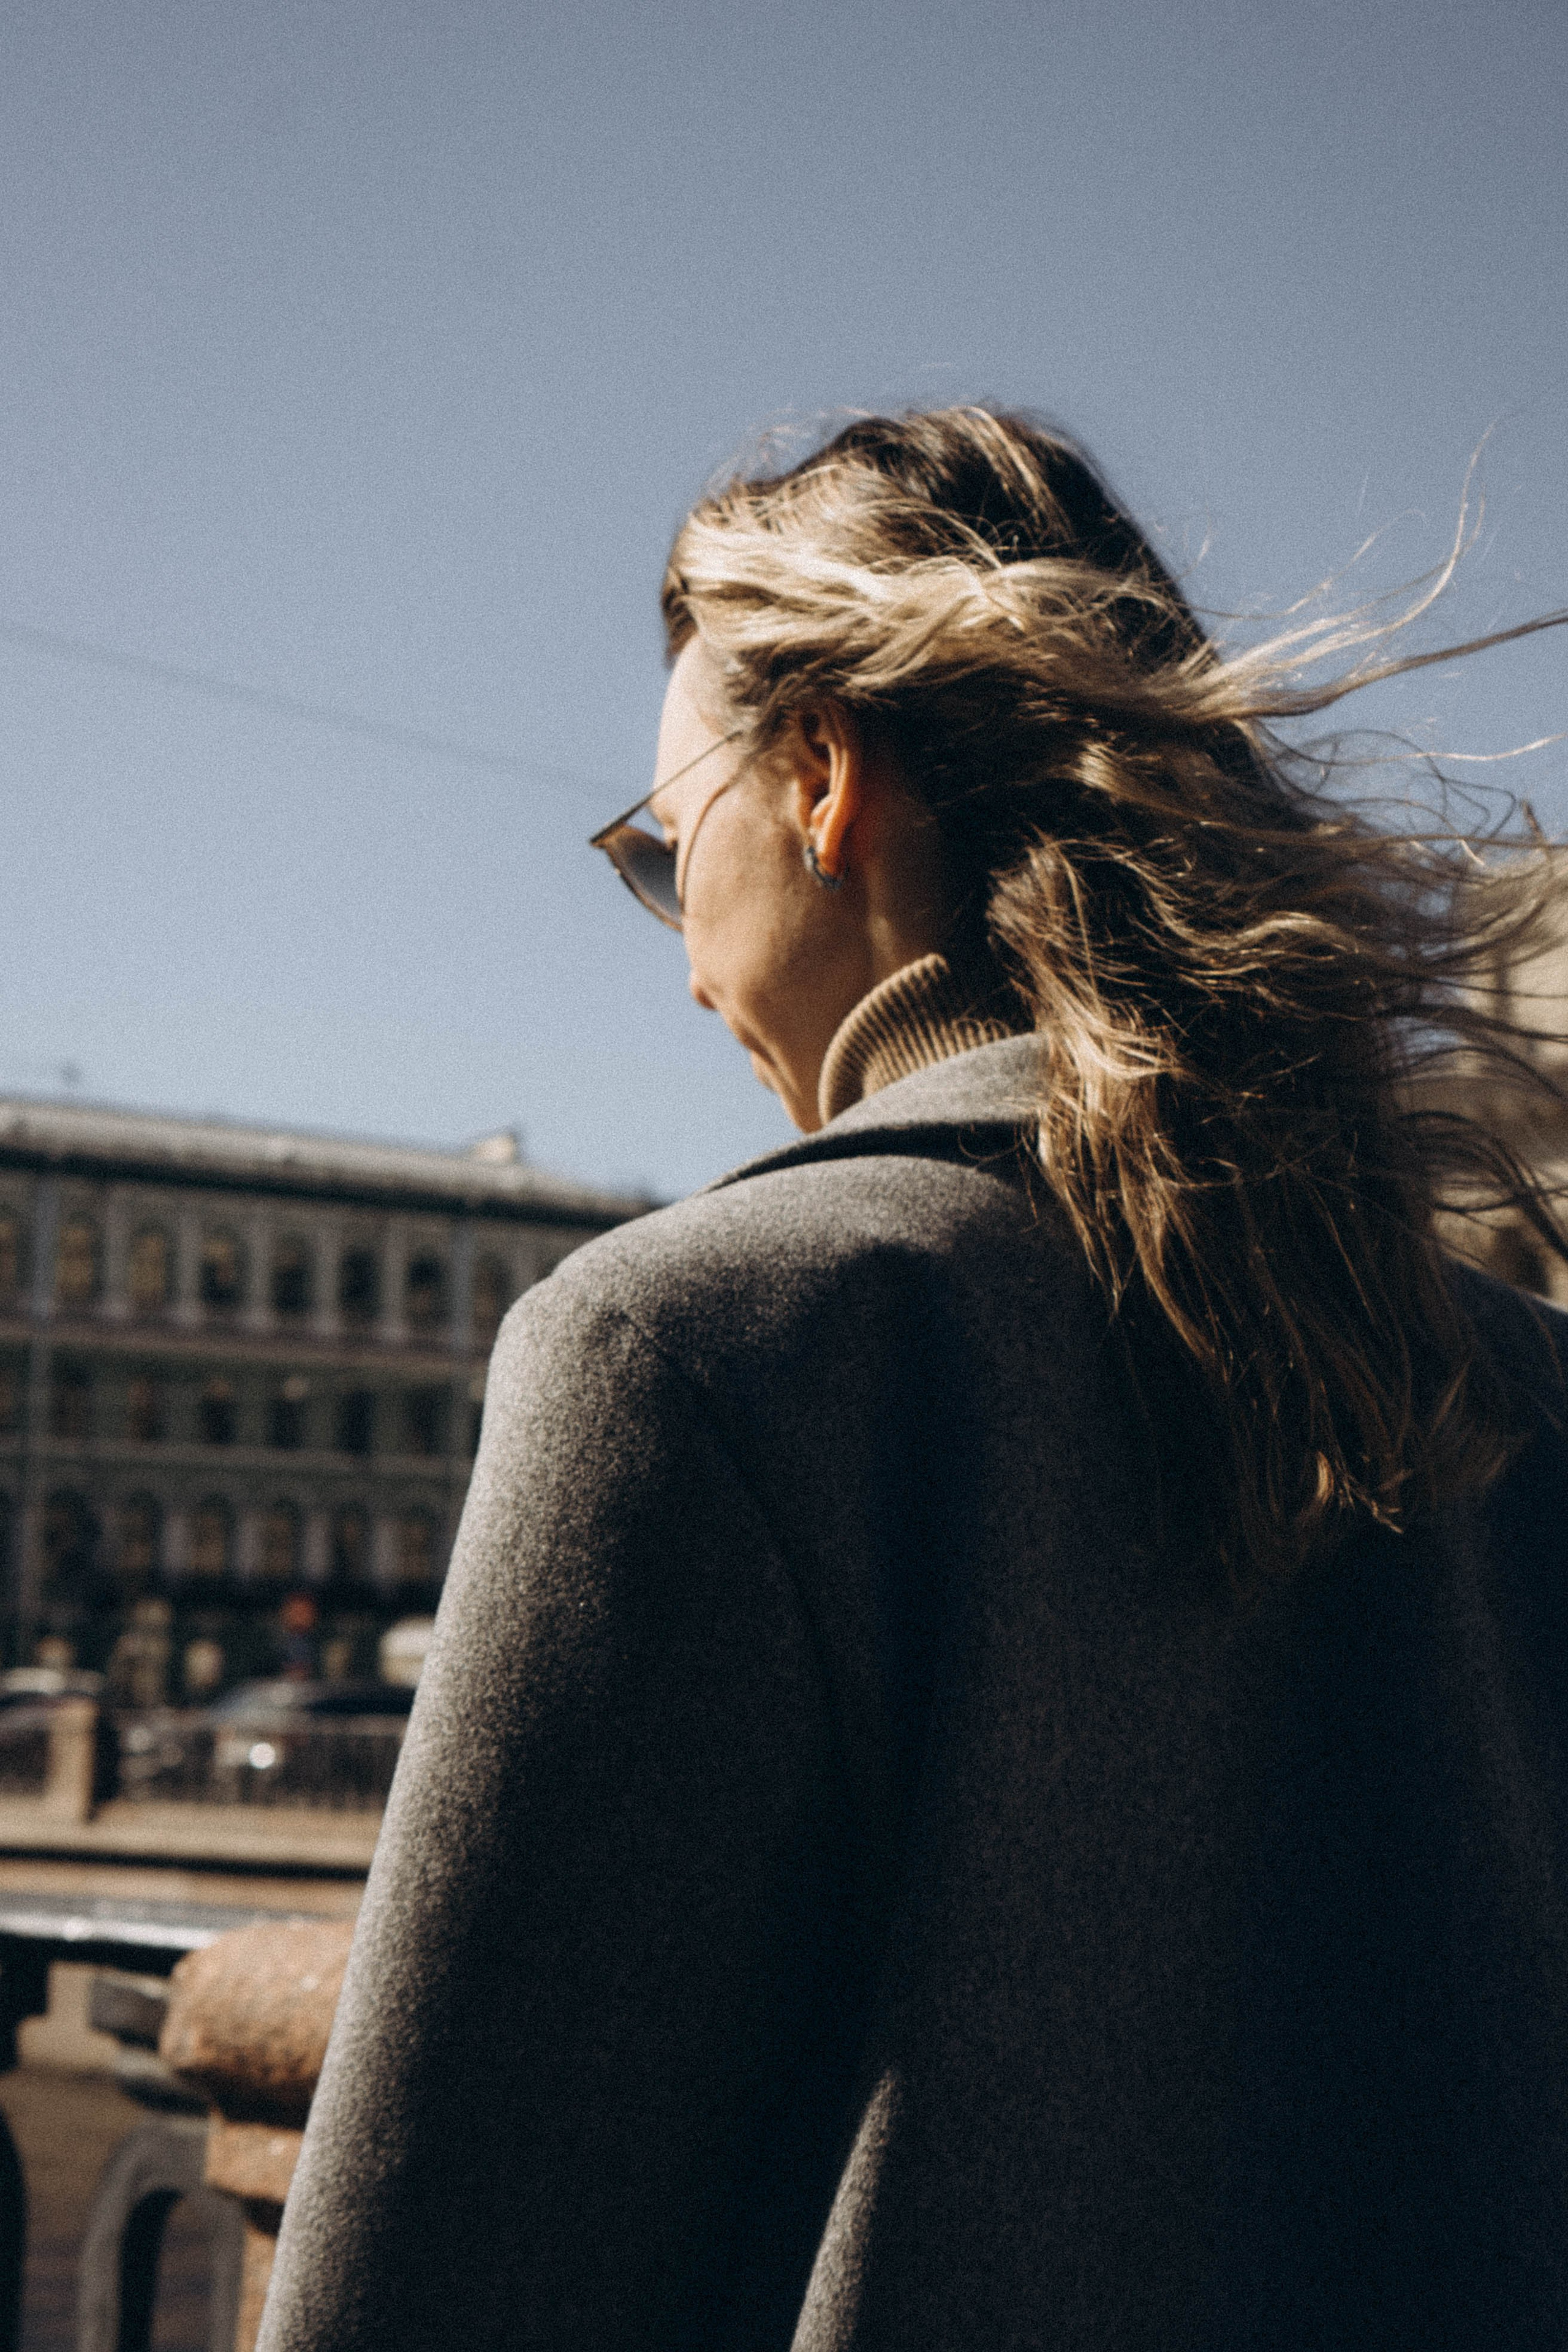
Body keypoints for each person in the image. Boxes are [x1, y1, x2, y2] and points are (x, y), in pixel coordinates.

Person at [258, 410, 1568, 2351]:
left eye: (657, 851)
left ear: (815, 773)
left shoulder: (698, 1344)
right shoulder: (1520, 1377)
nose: (685, 962)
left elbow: (440, 2266)